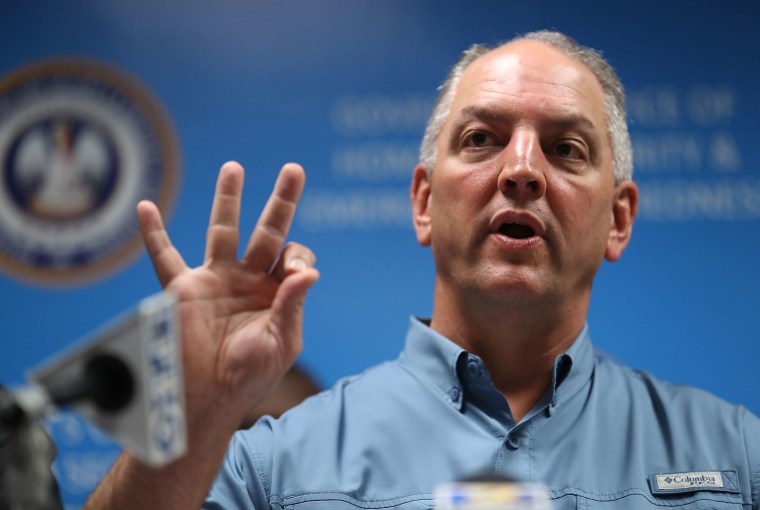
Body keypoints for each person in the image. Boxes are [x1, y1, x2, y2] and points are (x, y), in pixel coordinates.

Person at [84, 30, 760, 510]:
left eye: (565, 148)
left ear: (618, 219)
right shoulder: (275, 467)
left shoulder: (738, 454)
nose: (521, 170)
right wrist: (197, 416)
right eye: (481, 139)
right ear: (423, 202)